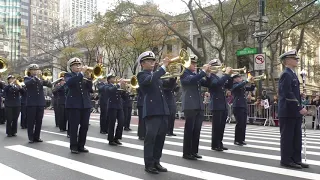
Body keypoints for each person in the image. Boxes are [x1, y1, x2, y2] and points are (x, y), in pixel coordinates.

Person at [137, 51, 170, 174]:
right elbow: (150, 80)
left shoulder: (156, 76)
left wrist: (174, 77)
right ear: (142, 64)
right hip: (151, 110)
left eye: (153, 61)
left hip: (162, 110)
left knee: (160, 138)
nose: (152, 63)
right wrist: (163, 68)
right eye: (149, 61)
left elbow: (167, 87)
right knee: (151, 138)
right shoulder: (142, 75)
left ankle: (157, 161)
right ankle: (149, 164)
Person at [278, 50, 309, 169]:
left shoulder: (292, 73)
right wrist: (299, 107)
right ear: (287, 61)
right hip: (287, 111)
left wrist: (300, 96)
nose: (296, 60)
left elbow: (292, 92)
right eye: (294, 58)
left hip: (293, 112)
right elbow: (286, 93)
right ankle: (286, 160)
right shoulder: (286, 73)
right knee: (287, 137)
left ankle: (296, 159)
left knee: (297, 137)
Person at [180, 55, 210, 160]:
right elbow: (191, 80)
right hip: (190, 105)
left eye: (195, 63)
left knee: (197, 130)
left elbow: (207, 83)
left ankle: (194, 151)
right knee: (189, 129)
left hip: (198, 105)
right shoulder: (183, 73)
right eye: (192, 63)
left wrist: (208, 74)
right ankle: (187, 152)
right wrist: (202, 72)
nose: (195, 65)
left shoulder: (196, 74)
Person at [64, 57, 93, 154]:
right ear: (71, 67)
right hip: (73, 105)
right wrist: (81, 74)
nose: (78, 66)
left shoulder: (83, 76)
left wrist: (89, 78)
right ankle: (74, 146)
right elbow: (69, 83)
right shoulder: (68, 75)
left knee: (84, 126)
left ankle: (81, 145)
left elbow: (90, 89)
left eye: (79, 65)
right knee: (74, 126)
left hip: (85, 104)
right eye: (76, 65)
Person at [206, 59, 232, 151]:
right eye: (218, 65)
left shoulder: (219, 77)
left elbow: (229, 86)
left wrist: (230, 76)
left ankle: (219, 143)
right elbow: (216, 84)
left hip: (222, 104)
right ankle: (215, 144)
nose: (220, 67)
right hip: (216, 104)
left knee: (221, 126)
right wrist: (226, 75)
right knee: (216, 126)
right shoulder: (211, 76)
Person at [24, 64, 52, 143]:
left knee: (39, 121)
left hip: (40, 102)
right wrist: (35, 78)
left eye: (36, 70)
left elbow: (49, 85)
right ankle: (31, 137)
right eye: (33, 70)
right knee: (31, 121)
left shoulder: (40, 79)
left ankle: (37, 136)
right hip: (31, 103)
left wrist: (45, 78)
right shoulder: (27, 78)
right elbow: (27, 84)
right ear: (30, 71)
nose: (35, 71)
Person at [231, 74, 255, 146]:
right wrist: (246, 81)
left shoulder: (242, 85)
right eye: (239, 77)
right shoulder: (234, 85)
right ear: (235, 79)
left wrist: (253, 83)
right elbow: (238, 86)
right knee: (239, 123)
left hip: (243, 105)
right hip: (237, 106)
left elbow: (251, 89)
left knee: (243, 123)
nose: (240, 78)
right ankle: (237, 140)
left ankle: (242, 139)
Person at [106, 74, 126, 146]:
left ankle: (117, 138)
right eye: (112, 78)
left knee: (121, 122)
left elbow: (123, 96)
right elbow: (111, 91)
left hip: (119, 106)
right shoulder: (107, 86)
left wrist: (124, 88)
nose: (114, 79)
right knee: (112, 123)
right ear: (109, 80)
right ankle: (111, 139)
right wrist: (118, 84)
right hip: (112, 106)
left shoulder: (117, 86)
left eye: (114, 77)